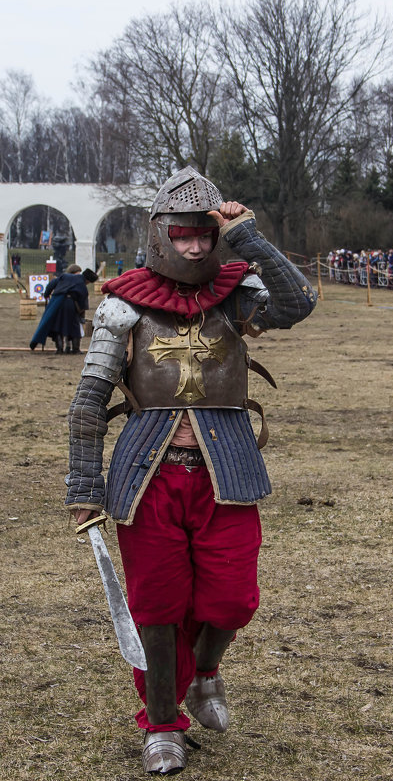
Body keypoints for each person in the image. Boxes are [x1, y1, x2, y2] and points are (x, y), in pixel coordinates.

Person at [65, 167, 316, 775]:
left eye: (204, 234)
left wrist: (248, 235)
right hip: (146, 474)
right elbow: (90, 399)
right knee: (157, 605)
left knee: (230, 600)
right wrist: (83, 484)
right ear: (160, 235)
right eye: (183, 235)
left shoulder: (238, 291)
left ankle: (205, 674)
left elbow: (298, 301)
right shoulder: (124, 304)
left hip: (225, 468)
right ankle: (161, 726)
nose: (196, 246)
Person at [30, 263, 91, 354]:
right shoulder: (80, 281)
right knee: (73, 325)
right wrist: (81, 309)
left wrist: (47, 295)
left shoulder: (63, 277)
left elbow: (51, 284)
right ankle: (75, 349)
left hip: (57, 303)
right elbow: (83, 296)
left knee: (57, 325)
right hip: (70, 303)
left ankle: (60, 349)